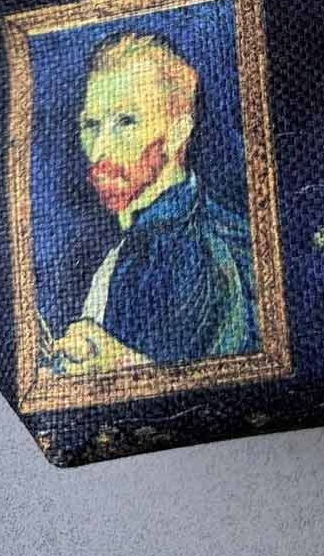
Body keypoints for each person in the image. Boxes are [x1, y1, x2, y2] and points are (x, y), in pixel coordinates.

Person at [46, 31, 258, 377]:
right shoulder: (133, 245)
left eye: (125, 122)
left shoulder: (205, 252)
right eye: (91, 125)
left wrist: (125, 367)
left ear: (178, 133)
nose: (99, 150)